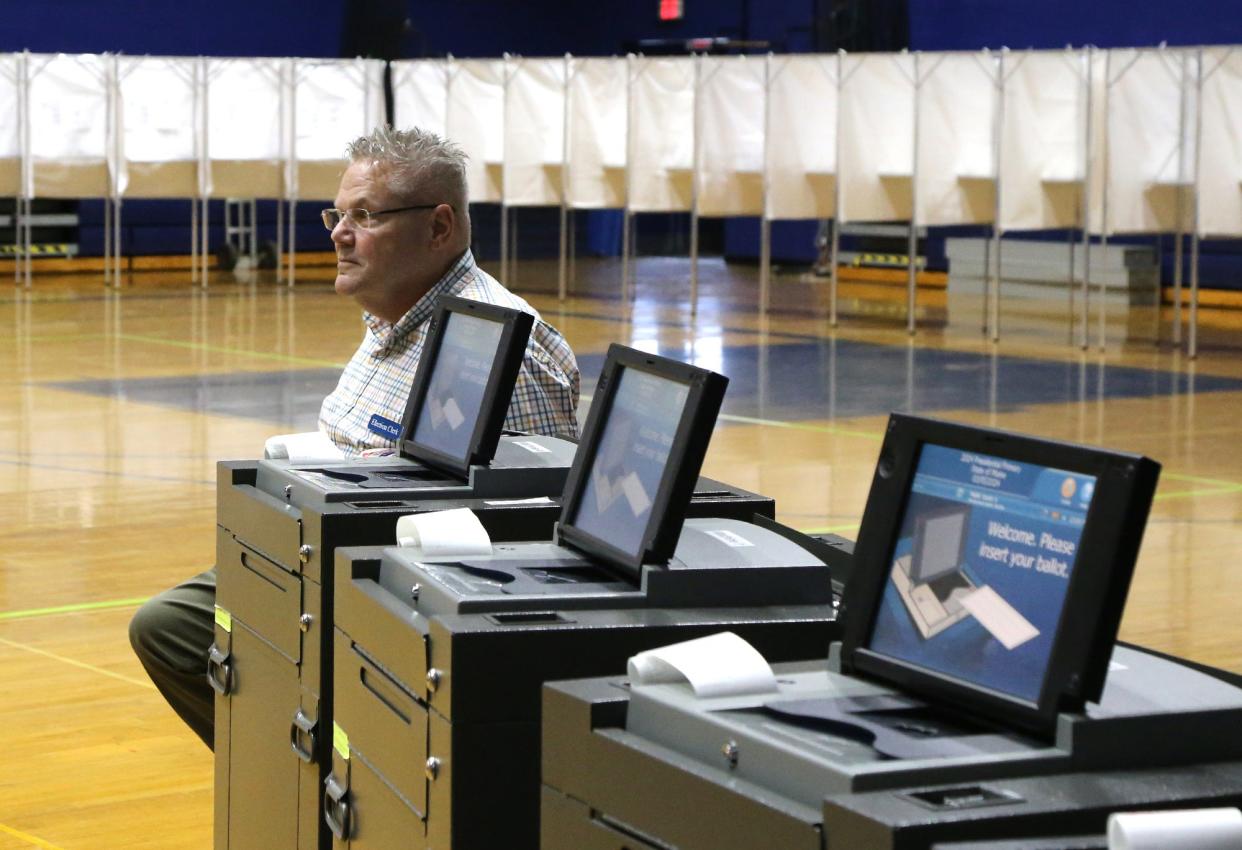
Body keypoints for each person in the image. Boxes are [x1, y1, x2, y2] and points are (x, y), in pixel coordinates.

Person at [129, 126, 581, 748]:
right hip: (313, 553)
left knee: (177, 633)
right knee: (169, 628)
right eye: (337, 214)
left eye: (365, 216)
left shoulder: (501, 346)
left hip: (381, 584)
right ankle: (293, 785)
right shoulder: (394, 315)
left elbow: (532, 530)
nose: (340, 233)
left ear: (439, 227)